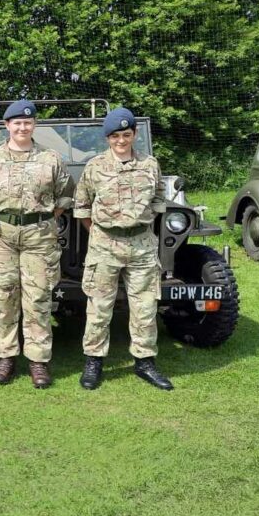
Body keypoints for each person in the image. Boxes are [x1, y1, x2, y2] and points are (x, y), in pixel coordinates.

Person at [74, 106, 174, 391]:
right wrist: (99, 233)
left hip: (141, 244)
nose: (121, 140)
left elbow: (158, 198)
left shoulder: (150, 164)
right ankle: (94, 361)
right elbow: (82, 206)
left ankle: (145, 362)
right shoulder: (95, 166)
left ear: (134, 134)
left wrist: (143, 224)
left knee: (145, 306)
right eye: (115, 136)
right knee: (99, 306)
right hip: (105, 244)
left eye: (126, 135)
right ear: (107, 138)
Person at [0, 100, 72, 389]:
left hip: (39, 236)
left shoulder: (51, 158)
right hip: (3, 236)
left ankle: (38, 360)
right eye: (17, 123)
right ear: (7, 125)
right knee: (3, 296)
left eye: (28, 122)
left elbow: (65, 194)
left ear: (34, 125)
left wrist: (45, 218)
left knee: (38, 298)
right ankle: (6, 356)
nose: (22, 127)